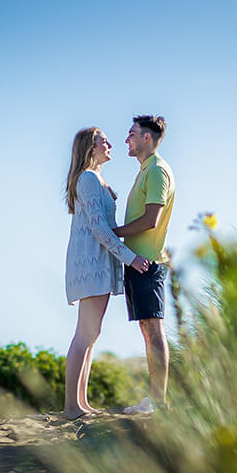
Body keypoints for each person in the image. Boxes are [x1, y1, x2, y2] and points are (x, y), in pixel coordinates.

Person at [63, 127, 151, 419]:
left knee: (92, 333)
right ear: (91, 148)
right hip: (89, 264)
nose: (110, 144)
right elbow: (100, 229)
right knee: (84, 334)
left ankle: (81, 403)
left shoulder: (96, 178)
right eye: (104, 141)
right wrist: (130, 258)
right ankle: (71, 407)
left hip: (98, 264)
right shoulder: (87, 179)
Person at [113, 115, 176, 412]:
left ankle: (159, 403)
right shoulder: (146, 171)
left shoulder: (157, 171)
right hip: (139, 263)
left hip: (148, 263)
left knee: (153, 329)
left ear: (146, 138)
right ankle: (155, 400)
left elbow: (152, 220)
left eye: (132, 134)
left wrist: (113, 233)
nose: (127, 140)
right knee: (147, 328)